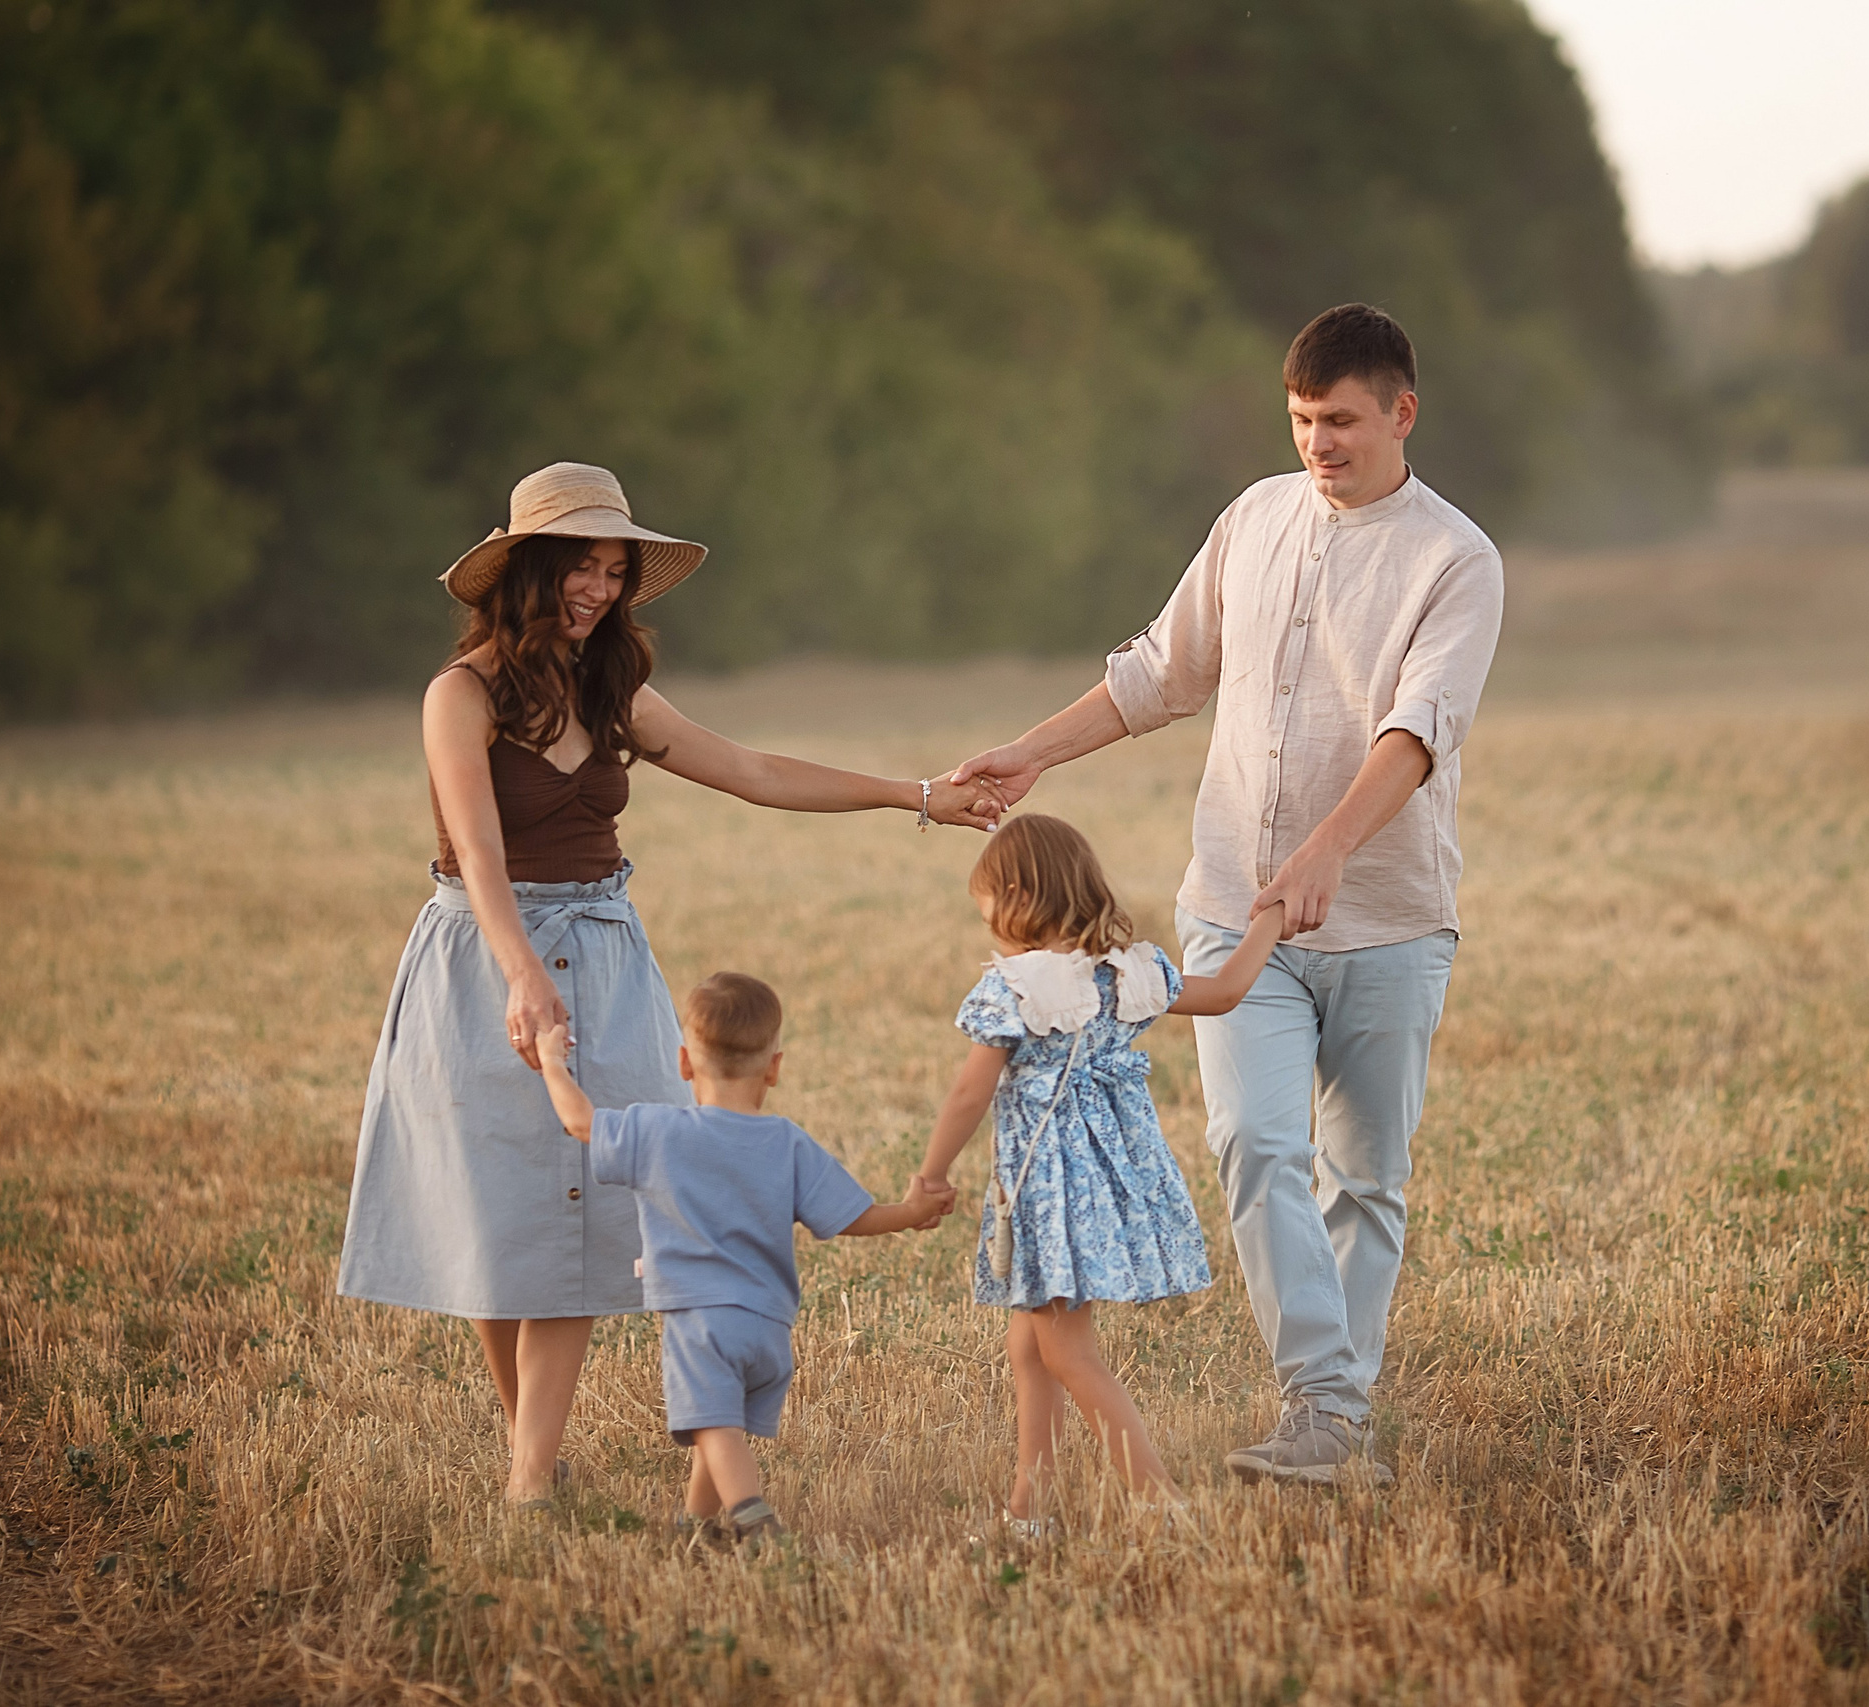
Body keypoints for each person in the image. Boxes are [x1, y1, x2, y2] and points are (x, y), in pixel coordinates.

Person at [336, 461, 998, 1501]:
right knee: (497, 1216)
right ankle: (530, 1451)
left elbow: (752, 770)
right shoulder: (456, 696)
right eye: (579, 569)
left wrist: (914, 795)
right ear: (525, 571)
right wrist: (520, 978)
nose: (599, 590)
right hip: (478, 957)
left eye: (613, 571)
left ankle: (529, 1478)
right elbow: (478, 852)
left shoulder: (612, 689)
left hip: (600, 954)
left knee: (582, 1211)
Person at [952, 305, 1503, 1485]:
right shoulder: (1253, 519)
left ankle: (1333, 1426)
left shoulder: (1456, 559)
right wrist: (1036, 751)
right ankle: (1323, 1401)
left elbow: (1418, 733)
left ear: (1402, 413)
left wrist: (1329, 852)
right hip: (1228, 907)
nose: (1320, 444)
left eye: (1343, 422)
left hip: (1387, 921)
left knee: (1364, 1175)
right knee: (1257, 1143)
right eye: (1303, 420)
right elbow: (1160, 674)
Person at [913, 815, 1287, 1533]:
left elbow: (970, 1093)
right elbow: (1228, 990)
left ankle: (1161, 1503)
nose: (984, 917)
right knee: (1030, 1343)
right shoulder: (1129, 974)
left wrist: (931, 1173)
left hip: (1048, 1196)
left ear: (1018, 894)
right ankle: (1031, 1507)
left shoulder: (1016, 987)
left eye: (986, 901)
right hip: (1107, 1190)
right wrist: (1269, 920)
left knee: (1067, 1352)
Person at [535, 973, 951, 1549]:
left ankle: (754, 1519)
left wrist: (552, 1062)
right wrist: (910, 1211)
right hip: (768, 1325)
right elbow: (851, 1216)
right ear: (774, 1069)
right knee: (720, 1425)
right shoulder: (788, 1142)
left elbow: (580, 1122)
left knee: (714, 1427)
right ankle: (696, 1528)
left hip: (700, 1319)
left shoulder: (659, 1131)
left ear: (684, 1062)